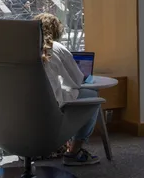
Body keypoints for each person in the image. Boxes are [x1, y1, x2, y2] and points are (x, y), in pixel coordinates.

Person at [36, 12, 100, 166]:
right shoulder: (57, 48)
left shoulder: (21, 49)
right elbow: (77, 80)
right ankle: (74, 151)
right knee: (92, 96)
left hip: (24, 108)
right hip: (51, 108)